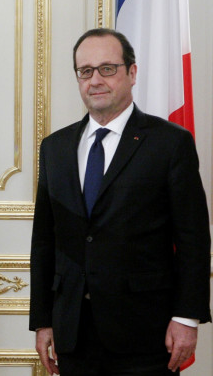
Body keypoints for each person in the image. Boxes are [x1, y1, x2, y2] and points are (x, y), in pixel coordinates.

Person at [29, 28, 211, 376]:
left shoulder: (170, 144)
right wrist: (42, 320)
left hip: (146, 333)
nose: (95, 80)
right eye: (85, 71)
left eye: (107, 68)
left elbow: (192, 239)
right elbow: (45, 241)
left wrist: (186, 316)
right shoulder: (54, 148)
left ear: (132, 73)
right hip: (73, 332)